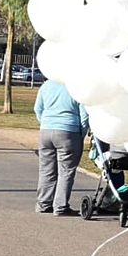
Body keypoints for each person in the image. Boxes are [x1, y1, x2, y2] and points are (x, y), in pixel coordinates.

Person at [33, 79, 89, 216]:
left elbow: (37, 108)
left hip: (46, 130)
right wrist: (81, 133)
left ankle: (43, 203)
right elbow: (84, 114)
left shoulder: (46, 85)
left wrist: (45, 123)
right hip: (69, 130)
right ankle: (60, 206)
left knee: (46, 170)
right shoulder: (76, 86)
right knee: (66, 171)